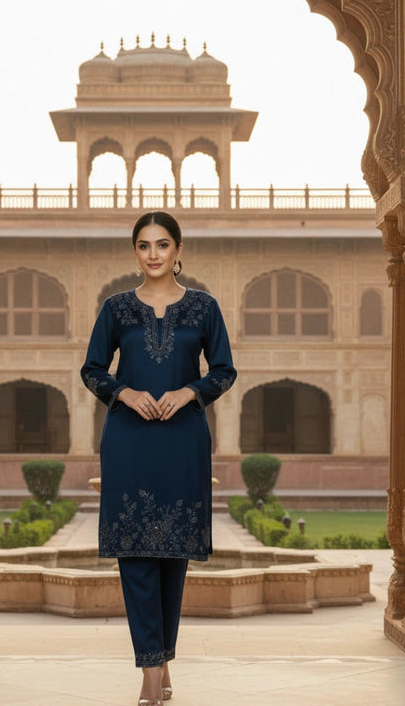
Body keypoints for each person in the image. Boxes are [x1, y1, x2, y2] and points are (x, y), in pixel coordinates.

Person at [81, 211, 236, 706]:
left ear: (178, 251)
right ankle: (151, 672)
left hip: (182, 441)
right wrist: (123, 393)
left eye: (162, 245)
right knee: (136, 557)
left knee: (173, 559)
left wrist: (189, 392)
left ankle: (163, 656)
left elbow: (225, 372)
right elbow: (91, 369)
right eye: (144, 245)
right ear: (135, 253)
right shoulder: (117, 309)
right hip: (129, 441)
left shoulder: (204, 309)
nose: (153, 254)